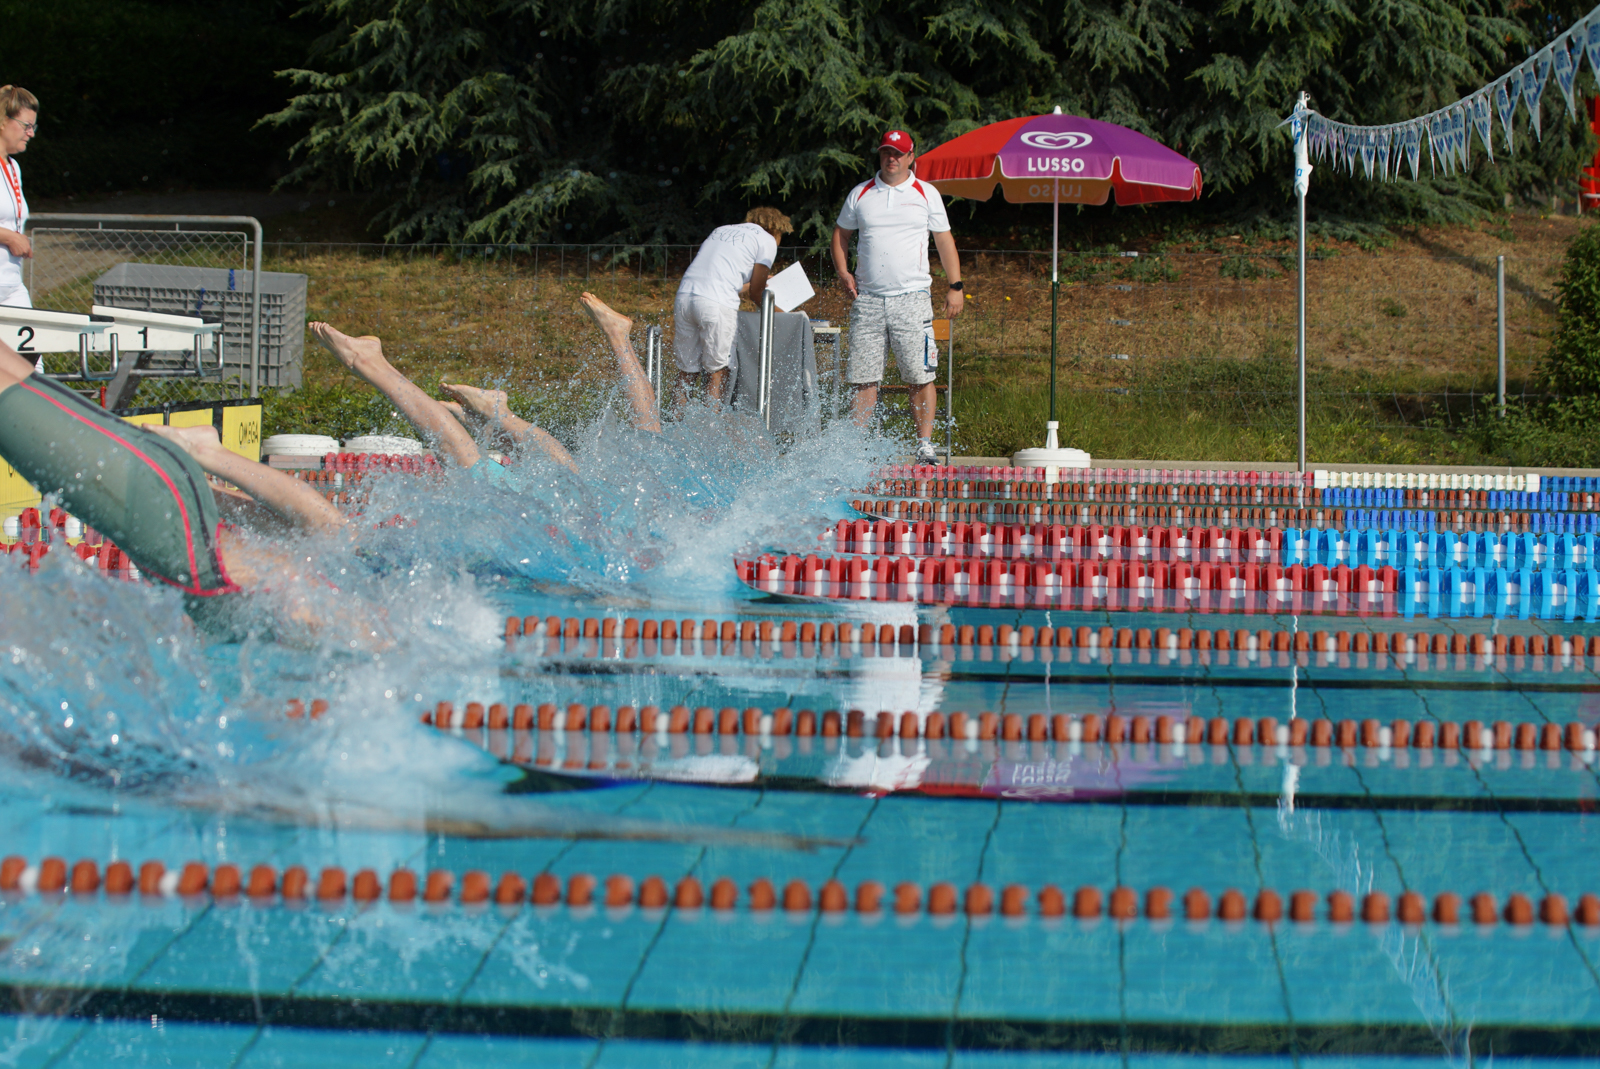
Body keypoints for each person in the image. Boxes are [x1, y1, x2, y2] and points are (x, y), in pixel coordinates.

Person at [830, 130, 964, 464]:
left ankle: (924, 444)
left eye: (899, 153)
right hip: (869, 299)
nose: (892, 159)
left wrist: (955, 285)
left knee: (920, 375)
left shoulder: (926, 193)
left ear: (911, 156)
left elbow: (944, 240)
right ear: (880, 155)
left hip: (912, 298)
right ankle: (858, 448)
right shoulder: (861, 193)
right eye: (887, 152)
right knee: (863, 378)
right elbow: (841, 233)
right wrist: (843, 271)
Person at [673, 207, 792, 405]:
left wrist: (753, 284)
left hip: (684, 298)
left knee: (687, 370)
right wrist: (785, 314)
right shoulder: (767, 240)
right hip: (715, 305)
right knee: (718, 371)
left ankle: (673, 420)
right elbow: (757, 294)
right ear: (776, 229)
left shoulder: (721, 230)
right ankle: (712, 423)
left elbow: (721, 281)